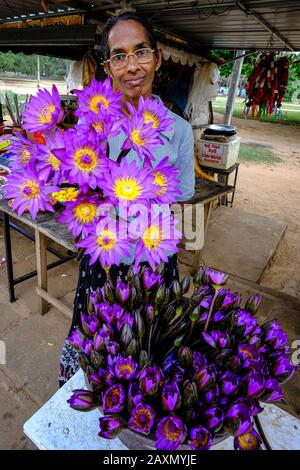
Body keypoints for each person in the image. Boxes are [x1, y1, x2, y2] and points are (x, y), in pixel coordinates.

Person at [58, 12, 195, 387]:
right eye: (119, 56)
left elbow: (179, 197)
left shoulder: (180, 131)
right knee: (95, 356)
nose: (132, 66)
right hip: (103, 257)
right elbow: (74, 187)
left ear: (158, 57)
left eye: (141, 52)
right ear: (107, 67)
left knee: (149, 353)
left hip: (152, 258)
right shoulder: (93, 124)